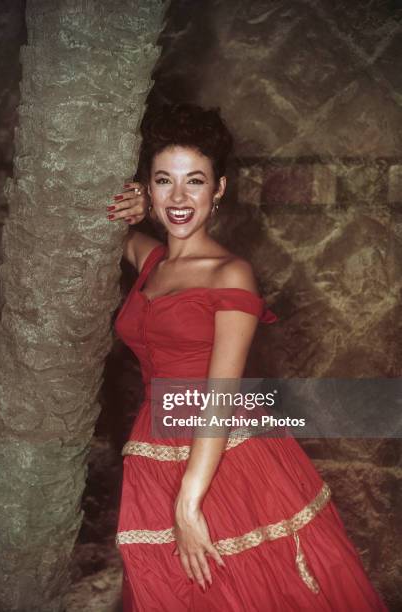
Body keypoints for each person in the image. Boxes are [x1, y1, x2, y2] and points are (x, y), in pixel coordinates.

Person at [106, 103, 388, 611]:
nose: (178, 197)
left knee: (241, 590)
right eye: (163, 181)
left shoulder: (231, 274)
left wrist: (190, 501)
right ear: (147, 188)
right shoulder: (152, 263)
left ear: (219, 190)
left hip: (224, 451)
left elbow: (221, 395)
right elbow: (115, 232)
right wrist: (124, 208)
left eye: (195, 181)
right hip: (154, 447)